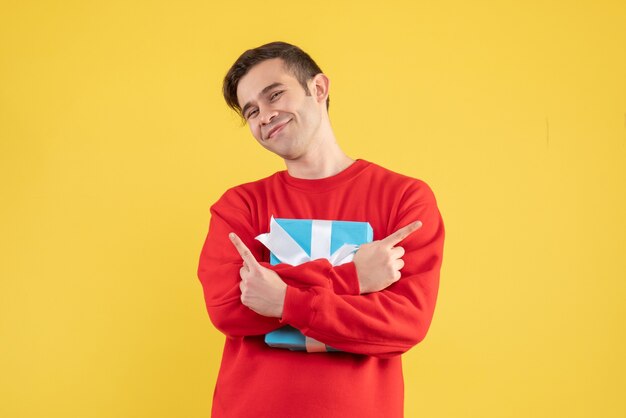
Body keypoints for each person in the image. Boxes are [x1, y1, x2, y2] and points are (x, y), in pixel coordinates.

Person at [197, 41, 445, 418]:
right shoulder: (240, 206)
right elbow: (228, 308)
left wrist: (282, 300)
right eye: (251, 111)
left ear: (318, 88)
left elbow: (404, 323)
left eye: (274, 94)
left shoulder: (404, 198)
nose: (264, 115)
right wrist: (353, 279)